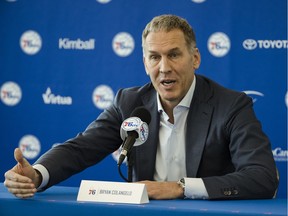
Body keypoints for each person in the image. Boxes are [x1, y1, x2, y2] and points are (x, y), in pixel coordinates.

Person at [4, 14, 278, 200]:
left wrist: (179, 188)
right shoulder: (129, 102)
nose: (164, 68)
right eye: (154, 57)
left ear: (195, 58)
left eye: (173, 55)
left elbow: (263, 177)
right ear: (145, 63)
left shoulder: (231, 106)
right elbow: (82, 148)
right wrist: (37, 174)